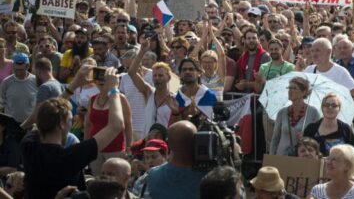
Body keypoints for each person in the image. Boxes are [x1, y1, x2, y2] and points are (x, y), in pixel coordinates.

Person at [21, 69, 124, 199]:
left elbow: (45, 113)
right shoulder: (69, 157)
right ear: (62, 125)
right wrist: (114, 90)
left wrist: (73, 86)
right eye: (70, 120)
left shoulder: (28, 145)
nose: (72, 122)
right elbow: (116, 126)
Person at [141, 120, 206, 198]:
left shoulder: (152, 176)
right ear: (196, 142)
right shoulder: (207, 177)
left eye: (153, 156)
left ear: (169, 144)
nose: (150, 160)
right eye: (147, 157)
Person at [305, 38, 354, 108]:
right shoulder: (308, 70)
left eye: (317, 50)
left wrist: (347, 116)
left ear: (328, 52)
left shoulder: (340, 72)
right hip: (312, 117)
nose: (314, 54)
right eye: (312, 51)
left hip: (332, 117)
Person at [271, 75, 321, 156]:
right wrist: (271, 158)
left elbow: (317, 138)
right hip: (281, 157)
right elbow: (275, 139)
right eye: (289, 88)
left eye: (294, 88)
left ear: (304, 92)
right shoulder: (282, 112)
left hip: (303, 158)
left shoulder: (313, 112)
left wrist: (306, 136)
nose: (290, 91)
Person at [304, 91, 354, 156]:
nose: (330, 108)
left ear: (339, 109)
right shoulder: (311, 129)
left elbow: (352, 155)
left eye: (334, 105)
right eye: (327, 105)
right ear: (322, 108)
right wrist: (302, 142)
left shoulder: (346, 129)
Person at [0, 52, 36, 124]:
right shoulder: (6, 82)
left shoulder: (36, 81)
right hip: (11, 126)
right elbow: (1, 105)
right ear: (13, 66)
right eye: (16, 70)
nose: (19, 73)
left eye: (21, 70)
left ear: (28, 66)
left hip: (30, 125)